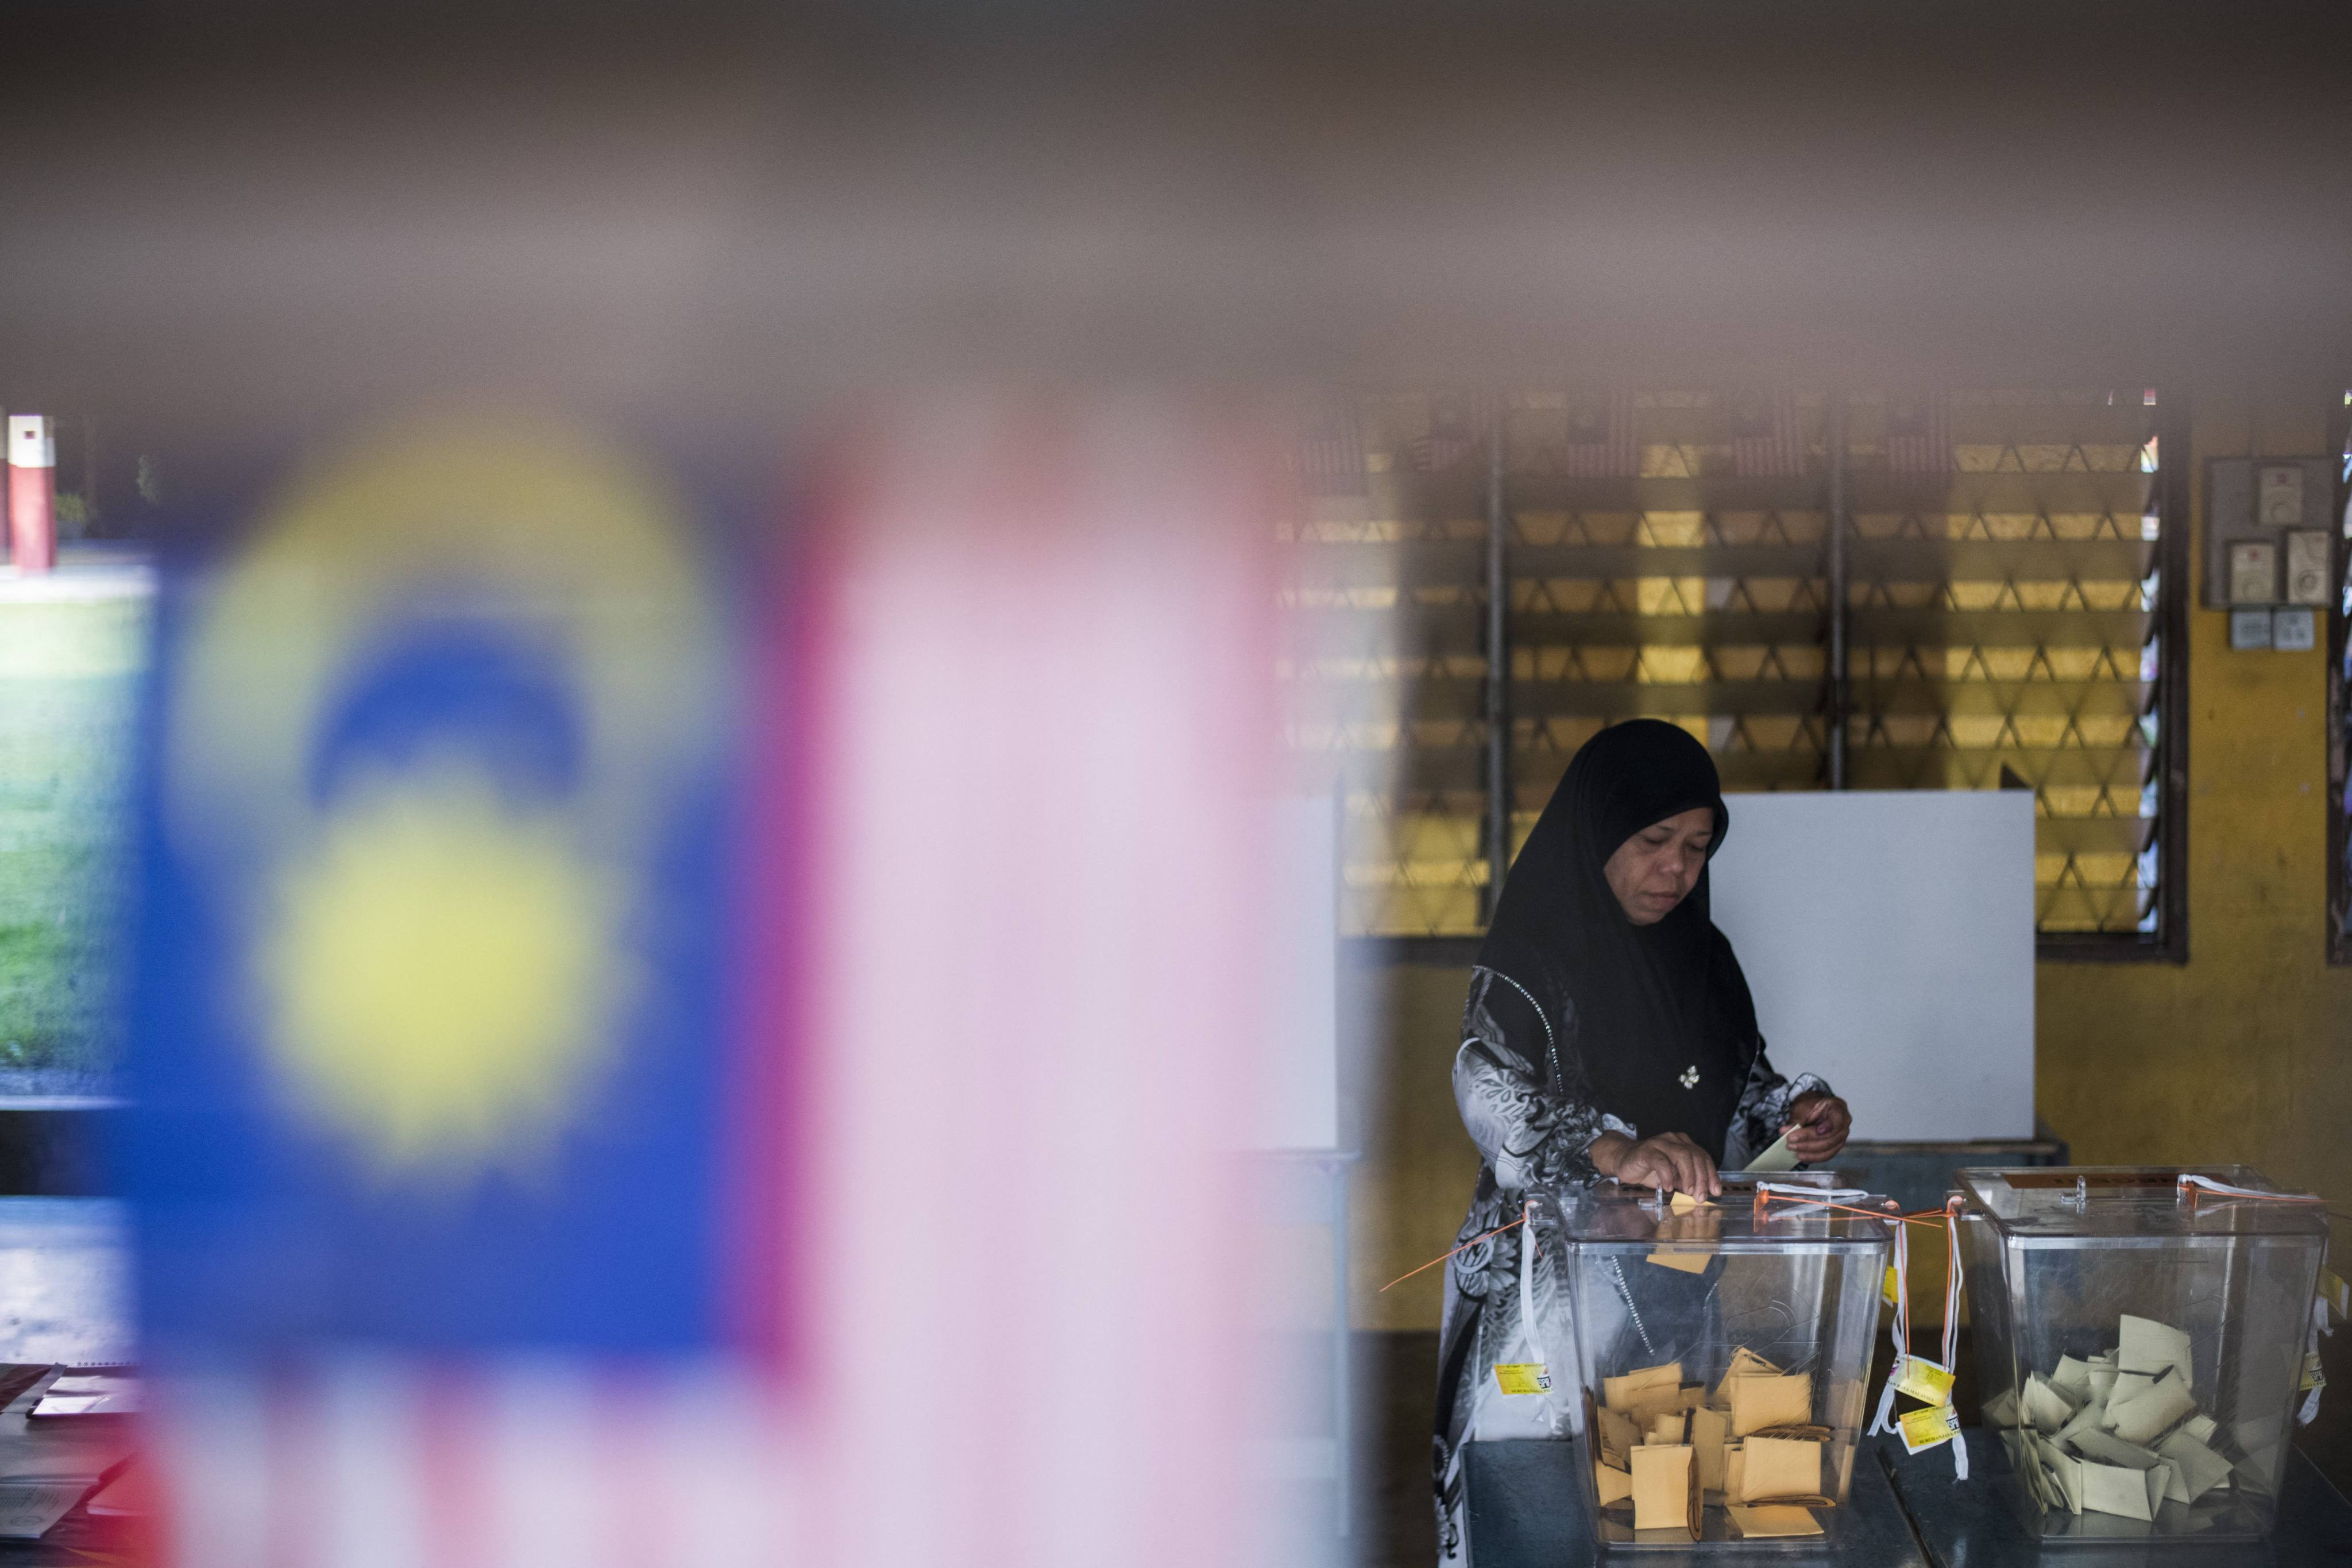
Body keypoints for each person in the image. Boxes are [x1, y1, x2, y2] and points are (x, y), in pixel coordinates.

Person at [1430, 720, 1851, 1562]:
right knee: (1533, 1512)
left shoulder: (1705, 958)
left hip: (1671, 1284)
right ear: (1598, 831)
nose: (1676, 870)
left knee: (1654, 1503)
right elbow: (1486, 1083)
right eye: (1655, 841)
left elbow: (1739, 1089)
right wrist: (1611, 1149)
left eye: (1697, 847)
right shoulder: (1531, 958)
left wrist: (1793, 1115)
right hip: (1543, 1299)